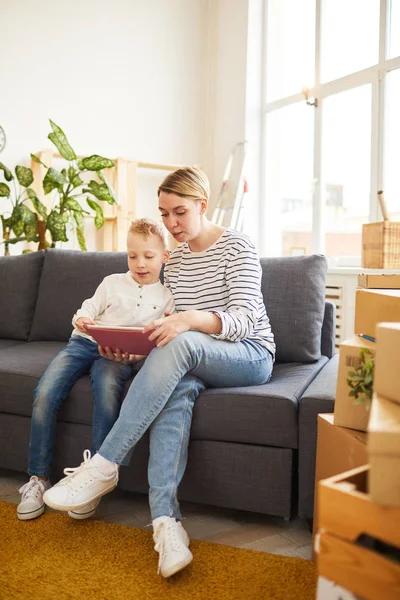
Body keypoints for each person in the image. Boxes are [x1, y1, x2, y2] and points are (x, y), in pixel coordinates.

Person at [43, 167, 275, 578]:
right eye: (164, 213)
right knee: (175, 392)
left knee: (182, 340)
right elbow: (167, 330)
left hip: (248, 354)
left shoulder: (237, 246)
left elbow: (242, 321)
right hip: (195, 360)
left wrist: (188, 320)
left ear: (202, 206)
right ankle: (167, 524)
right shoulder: (178, 261)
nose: (171, 224)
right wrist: (132, 352)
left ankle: (103, 464)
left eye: (179, 212)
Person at [17, 218, 174, 522]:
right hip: (85, 343)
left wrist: (136, 355)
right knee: (45, 391)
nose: (139, 263)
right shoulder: (112, 282)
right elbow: (86, 309)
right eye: (132, 255)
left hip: (119, 356)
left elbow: (161, 340)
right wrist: (83, 320)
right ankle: (37, 478)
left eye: (148, 256)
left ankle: (93, 484)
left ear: (164, 256)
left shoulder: (169, 297)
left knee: (106, 392)